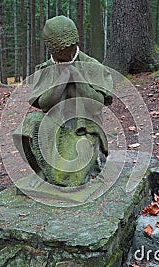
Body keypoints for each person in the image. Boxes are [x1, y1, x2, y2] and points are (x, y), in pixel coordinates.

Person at [13, 15, 113, 187]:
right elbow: (43, 104)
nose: (67, 50)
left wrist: (77, 76)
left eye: (70, 45)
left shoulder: (92, 65)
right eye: (61, 48)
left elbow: (96, 105)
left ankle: (83, 170)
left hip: (84, 127)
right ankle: (42, 173)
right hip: (54, 123)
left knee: (68, 180)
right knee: (27, 127)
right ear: (52, 49)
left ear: (76, 42)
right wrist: (62, 78)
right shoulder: (45, 69)